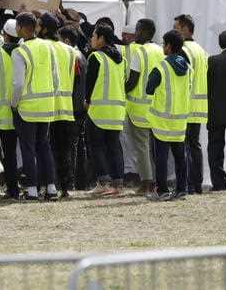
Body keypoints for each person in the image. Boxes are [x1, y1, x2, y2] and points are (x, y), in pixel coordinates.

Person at [11, 12, 59, 201]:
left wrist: (14, 104)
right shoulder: (49, 47)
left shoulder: (19, 51)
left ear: (22, 28)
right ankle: (51, 188)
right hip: (46, 105)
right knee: (44, 147)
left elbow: (18, 84)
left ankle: (31, 189)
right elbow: (55, 78)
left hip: (27, 108)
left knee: (28, 148)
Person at [146, 30, 192, 201]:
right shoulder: (187, 67)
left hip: (162, 121)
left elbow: (148, 88)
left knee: (161, 158)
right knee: (181, 157)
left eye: (163, 44)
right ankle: (181, 189)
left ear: (169, 46)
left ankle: (162, 190)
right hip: (180, 119)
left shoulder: (161, 67)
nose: (162, 47)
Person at [123, 19, 165, 195]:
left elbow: (132, 81)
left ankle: (147, 183)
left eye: (138, 31)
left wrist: (120, 90)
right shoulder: (160, 50)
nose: (136, 34)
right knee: (156, 149)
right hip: (156, 106)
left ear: (143, 32)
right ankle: (157, 181)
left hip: (139, 108)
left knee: (141, 147)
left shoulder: (139, 52)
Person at [85, 24, 127, 197]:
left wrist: (87, 101)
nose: (92, 39)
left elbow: (90, 83)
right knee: (115, 147)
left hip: (99, 110)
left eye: (94, 36)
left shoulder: (96, 57)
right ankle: (118, 184)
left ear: (101, 38)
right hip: (117, 110)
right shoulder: (120, 58)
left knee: (97, 147)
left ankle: (103, 183)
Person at [39, 13, 78, 198]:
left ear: (44, 28)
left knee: (47, 149)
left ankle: (48, 185)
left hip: (47, 106)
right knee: (64, 150)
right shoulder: (70, 50)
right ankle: (65, 187)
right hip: (66, 106)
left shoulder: (41, 46)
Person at [174, 14, 208, 194]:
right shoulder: (201, 50)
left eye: (177, 27)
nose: (174, 31)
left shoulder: (184, 50)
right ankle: (197, 184)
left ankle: (187, 184)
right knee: (195, 145)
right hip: (200, 106)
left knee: (184, 146)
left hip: (186, 105)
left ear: (186, 29)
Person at [206, 31, 226, 192]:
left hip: (215, 111)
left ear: (220, 44)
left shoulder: (211, 61)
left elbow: (208, 86)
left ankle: (218, 183)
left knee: (215, 147)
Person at [59, 25, 89, 193]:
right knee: (77, 146)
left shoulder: (73, 56)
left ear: (67, 41)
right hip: (79, 106)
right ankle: (79, 181)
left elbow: (74, 82)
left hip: (73, 107)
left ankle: (71, 182)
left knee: (71, 146)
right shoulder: (80, 55)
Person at [0, 19, 21, 200]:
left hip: (2, 114)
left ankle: (12, 189)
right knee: (29, 150)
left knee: (8, 154)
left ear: (4, 34)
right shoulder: (26, 52)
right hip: (25, 110)